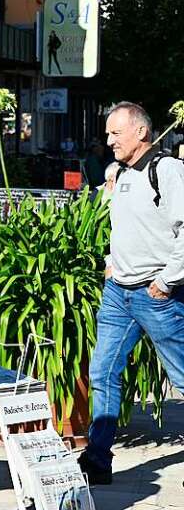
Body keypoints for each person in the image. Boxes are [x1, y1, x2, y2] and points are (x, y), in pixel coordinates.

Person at [78, 102, 184, 486]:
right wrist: (111, 260)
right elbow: (119, 226)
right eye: (108, 134)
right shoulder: (119, 173)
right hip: (117, 293)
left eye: (115, 133)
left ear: (140, 132)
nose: (109, 141)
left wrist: (167, 281)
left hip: (157, 296)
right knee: (103, 372)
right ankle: (97, 459)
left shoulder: (167, 170)